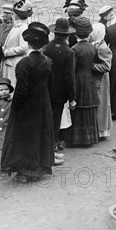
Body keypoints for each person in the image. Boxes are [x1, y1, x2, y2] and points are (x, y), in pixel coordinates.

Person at [1, 22, 54, 183]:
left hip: (27, 105)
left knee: (23, 137)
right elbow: (50, 84)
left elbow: (21, 89)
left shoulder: (24, 63)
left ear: (28, 43)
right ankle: (37, 168)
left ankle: (24, 170)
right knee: (39, 134)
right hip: (43, 103)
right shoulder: (48, 62)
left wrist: (16, 107)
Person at [42, 18, 76, 153]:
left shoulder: (46, 49)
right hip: (59, 93)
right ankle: (52, 146)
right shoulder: (68, 52)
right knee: (56, 120)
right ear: (67, 35)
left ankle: (44, 145)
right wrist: (72, 98)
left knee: (45, 118)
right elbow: (69, 77)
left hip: (45, 90)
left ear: (54, 33)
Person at [69, 17, 100, 145]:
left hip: (78, 79)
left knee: (79, 108)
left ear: (75, 33)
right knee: (88, 106)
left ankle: (77, 139)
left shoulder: (74, 49)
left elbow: (71, 69)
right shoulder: (93, 48)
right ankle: (90, 137)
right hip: (89, 78)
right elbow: (96, 63)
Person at [0, 0, 32, 84]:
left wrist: (5, 52)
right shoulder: (17, 26)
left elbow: (24, 47)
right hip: (10, 64)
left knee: (12, 88)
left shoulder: (24, 27)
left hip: (14, 65)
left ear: (16, 14)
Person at [90, 23, 113, 138]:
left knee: (101, 104)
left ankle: (100, 130)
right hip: (97, 79)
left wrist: (91, 65)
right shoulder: (96, 44)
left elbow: (106, 66)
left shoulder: (103, 48)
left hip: (101, 80)